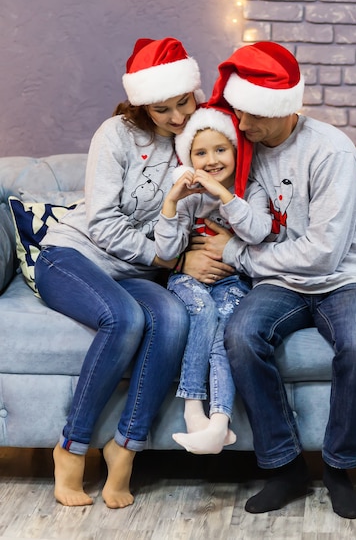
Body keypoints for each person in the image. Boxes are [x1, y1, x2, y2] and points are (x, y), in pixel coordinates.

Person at [201, 41, 356, 519]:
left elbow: (324, 255)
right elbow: (258, 220)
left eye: (250, 116)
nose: (241, 125)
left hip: (348, 276)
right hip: (285, 279)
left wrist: (237, 256)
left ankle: (339, 468)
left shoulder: (330, 151)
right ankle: (285, 466)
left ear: (280, 109)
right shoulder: (252, 152)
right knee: (241, 335)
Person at [34, 37, 229, 509]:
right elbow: (101, 222)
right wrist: (172, 261)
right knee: (124, 319)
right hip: (74, 256)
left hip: (135, 273)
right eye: (163, 110)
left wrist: (355, 162)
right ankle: (71, 448)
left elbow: (269, 138)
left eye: (185, 102)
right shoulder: (117, 133)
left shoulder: (199, 138)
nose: (178, 116)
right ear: (144, 105)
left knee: (174, 320)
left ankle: (124, 449)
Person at [154, 105, 271, 455]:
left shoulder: (252, 192)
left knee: (225, 334)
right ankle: (193, 412)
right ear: (188, 158)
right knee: (203, 312)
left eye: (220, 149)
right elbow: (167, 249)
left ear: (235, 151)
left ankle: (219, 424)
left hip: (232, 283)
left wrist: (224, 195)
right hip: (187, 283)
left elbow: (257, 231)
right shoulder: (187, 198)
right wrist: (172, 200)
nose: (211, 160)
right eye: (200, 153)